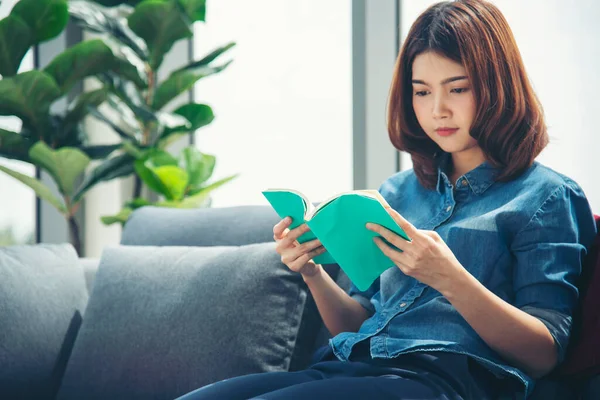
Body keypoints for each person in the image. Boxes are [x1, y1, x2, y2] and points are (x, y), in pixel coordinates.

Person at [177, 0, 597, 399]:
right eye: (421, 92)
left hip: (444, 381)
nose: (438, 110)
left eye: (458, 89)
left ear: (497, 85)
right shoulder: (397, 193)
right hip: (355, 368)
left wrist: (450, 277)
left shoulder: (546, 196)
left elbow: (544, 354)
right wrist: (312, 274)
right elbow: (358, 322)